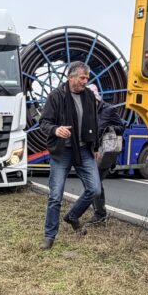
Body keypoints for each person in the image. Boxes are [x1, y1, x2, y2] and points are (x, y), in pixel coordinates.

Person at [38, 61, 101, 250]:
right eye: (82, 78)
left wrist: (95, 146)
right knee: (55, 196)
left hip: (83, 149)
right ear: (71, 77)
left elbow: (94, 122)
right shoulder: (56, 96)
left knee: (95, 189)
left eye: (87, 78)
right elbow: (44, 123)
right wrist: (56, 130)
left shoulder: (89, 95)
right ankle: (49, 236)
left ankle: (73, 216)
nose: (85, 81)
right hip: (62, 151)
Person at [87, 84, 125, 226]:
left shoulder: (109, 110)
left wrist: (111, 128)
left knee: (94, 182)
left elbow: (121, 127)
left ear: (96, 97)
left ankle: (100, 214)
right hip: (91, 151)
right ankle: (99, 213)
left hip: (105, 153)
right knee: (92, 183)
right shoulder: (87, 111)